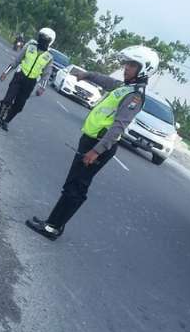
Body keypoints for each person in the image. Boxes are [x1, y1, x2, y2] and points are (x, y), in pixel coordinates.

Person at [26, 46, 160, 240]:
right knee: (72, 184)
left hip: (98, 146)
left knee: (76, 188)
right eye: (127, 64)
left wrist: (96, 151)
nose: (126, 68)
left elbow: (118, 127)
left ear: (144, 69)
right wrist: (87, 75)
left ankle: (52, 227)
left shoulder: (135, 96)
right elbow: (106, 81)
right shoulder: (126, 88)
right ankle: (53, 222)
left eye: (132, 65)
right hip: (91, 141)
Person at [0, 27, 56, 131]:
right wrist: (5, 73)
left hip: (30, 82)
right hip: (19, 77)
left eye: (45, 38)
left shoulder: (49, 57)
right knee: (7, 100)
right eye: (41, 36)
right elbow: (16, 61)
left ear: (50, 41)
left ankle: (6, 121)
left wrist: (42, 88)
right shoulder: (30, 47)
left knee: (19, 105)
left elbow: (46, 74)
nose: (41, 39)